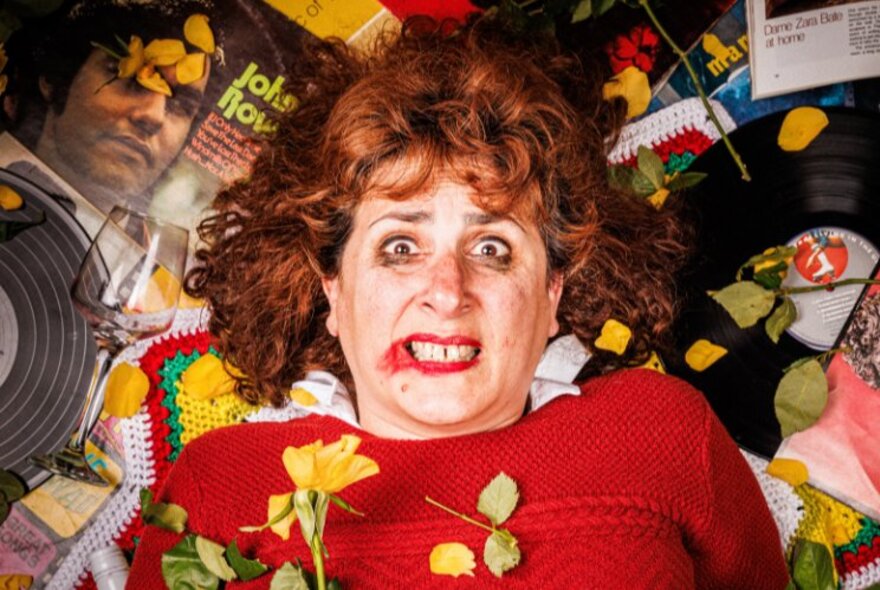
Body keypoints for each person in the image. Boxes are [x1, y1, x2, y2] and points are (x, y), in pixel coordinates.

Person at [128, 16, 789, 587]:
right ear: (332, 286)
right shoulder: (216, 487)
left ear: (554, 290)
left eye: (493, 249)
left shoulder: (663, 431)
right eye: (399, 247)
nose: (446, 293)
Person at [1, 0, 215, 216]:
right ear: (52, 78)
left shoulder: (155, 244)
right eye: (131, 79)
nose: (153, 116)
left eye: (183, 106)